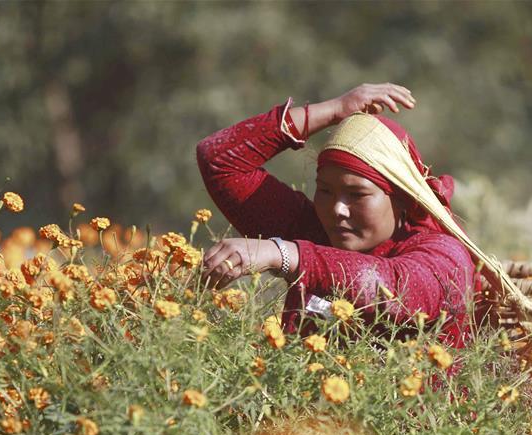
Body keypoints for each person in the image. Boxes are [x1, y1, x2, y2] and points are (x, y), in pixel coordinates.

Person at [196, 83, 486, 349]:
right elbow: (219, 159)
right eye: (325, 191)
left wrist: (284, 254)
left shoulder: (443, 255)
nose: (337, 209)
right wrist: (334, 110)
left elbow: (394, 291)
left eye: (357, 195)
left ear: (402, 199)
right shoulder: (316, 233)